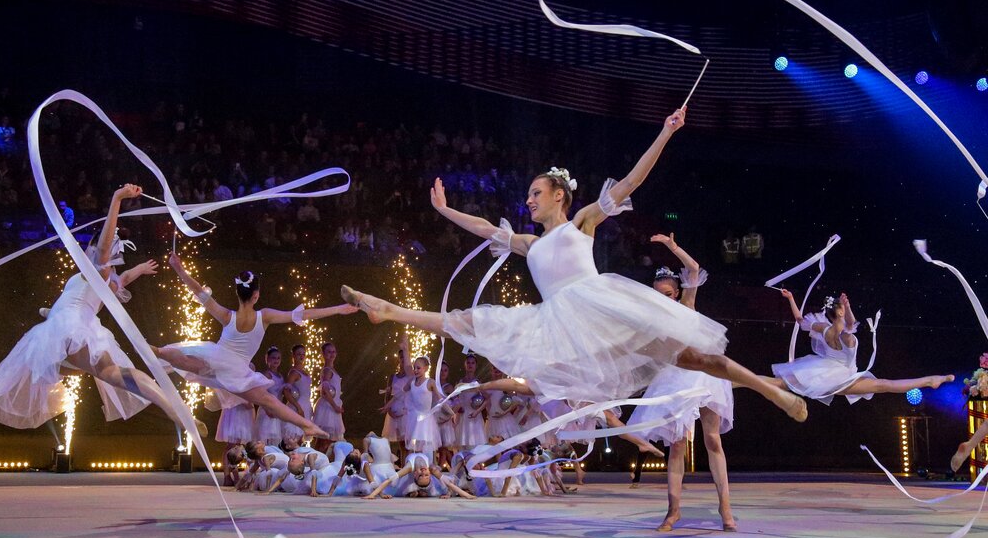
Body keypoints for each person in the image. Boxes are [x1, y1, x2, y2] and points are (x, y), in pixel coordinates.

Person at [342, 108, 808, 426]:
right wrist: (446, 211)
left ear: (559, 196)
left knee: (697, 359)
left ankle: (771, 390)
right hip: (559, 322)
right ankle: (388, 310)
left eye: (535, 194)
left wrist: (667, 131)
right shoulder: (530, 243)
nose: (529, 200)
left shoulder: (582, 221)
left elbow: (630, 182)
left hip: (604, 308)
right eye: (528, 195)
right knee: (472, 322)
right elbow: (485, 229)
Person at [0, 184, 177, 428]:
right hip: (74, 330)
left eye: (91, 246)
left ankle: (171, 407)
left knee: (106, 373)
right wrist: (139, 269)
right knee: (102, 371)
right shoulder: (107, 282)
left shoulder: (95, 270)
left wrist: (117, 199)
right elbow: (122, 280)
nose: (86, 250)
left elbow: (103, 249)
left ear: (95, 249)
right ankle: (170, 405)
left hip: (71, 329)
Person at [155, 259, 358, 439]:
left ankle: (153, 350)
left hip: (216, 361)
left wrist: (179, 269)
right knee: (269, 401)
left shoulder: (227, 316)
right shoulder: (264, 316)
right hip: (236, 372)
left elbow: (199, 292)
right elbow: (302, 315)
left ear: (238, 293)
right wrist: (338, 309)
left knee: (181, 358)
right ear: (256, 295)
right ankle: (307, 426)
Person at [627, 233, 737, 532]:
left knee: (712, 439)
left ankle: (725, 508)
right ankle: (673, 511)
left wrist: (672, 247)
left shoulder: (687, 304)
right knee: (677, 446)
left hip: (704, 373)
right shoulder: (654, 320)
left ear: (676, 293)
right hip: (675, 378)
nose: (662, 299)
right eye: (657, 294)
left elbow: (693, 268)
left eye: (667, 294)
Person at [771, 290, 953, 404]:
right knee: (885, 385)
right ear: (840, 312)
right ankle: (930, 380)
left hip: (822, 374)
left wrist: (791, 298)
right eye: (843, 309)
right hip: (842, 377)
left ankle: (749, 381)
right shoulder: (846, 336)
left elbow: (801, 320)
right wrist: (847, 308)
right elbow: (850, 325)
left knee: (781, 383)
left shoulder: (824, 328)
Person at [312, 342, 346, 453]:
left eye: (333, 352)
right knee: (323, 440)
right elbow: (325, 391)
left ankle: (320, 459)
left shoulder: (331, 369)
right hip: (328, 408)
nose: (332, 354)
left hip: (332, 406)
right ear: (323, 354)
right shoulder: (327, 370)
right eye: (329, 352)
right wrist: (335, 406)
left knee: (328, 441)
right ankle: (316, 460)